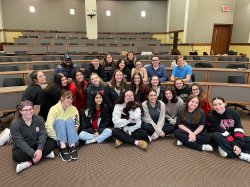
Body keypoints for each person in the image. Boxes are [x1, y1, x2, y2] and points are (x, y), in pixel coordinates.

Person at [10, 100, 56, 173]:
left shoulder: (39, 119)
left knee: (52, 142)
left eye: (30, 109)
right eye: (25, 110)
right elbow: (20, 142)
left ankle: (29, 163)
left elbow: (43, 133)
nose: (28, 112)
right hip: (23, 147)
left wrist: (40, 149)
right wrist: (32, 153)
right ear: (21, 111)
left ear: (33, 109)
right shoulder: (15, 124)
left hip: (36, 144)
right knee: (17, 156)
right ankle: (45, 154)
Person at [208, 96, 250, 162]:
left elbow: (238, 128)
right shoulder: (211, 115)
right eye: (215, 105)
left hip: (234, 135)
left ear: (225, 104)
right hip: (222, 135)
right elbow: (222, 131)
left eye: (220, 104)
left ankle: (225, 149)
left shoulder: (234, 113)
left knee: (246, 141)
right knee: (215, 135)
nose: (218, 107)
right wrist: (234, 144)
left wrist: (238, 144)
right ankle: (241, 155)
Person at [45, 91, 80, 162]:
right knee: (60, 121)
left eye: (71, 99)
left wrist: (70, 137)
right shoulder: (53, 109)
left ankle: (72, 147)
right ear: (62, 98)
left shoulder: (74, 109)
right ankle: (63, 148)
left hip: (71, 137)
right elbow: (48, 126)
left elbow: (76, 124)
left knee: (69, 121)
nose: (70, 100)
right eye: (68, 98)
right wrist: (59, 138)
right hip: (59, 137)